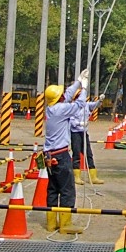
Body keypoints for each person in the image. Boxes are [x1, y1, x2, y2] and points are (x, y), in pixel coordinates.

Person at [44, 70, 88, 235]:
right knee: (68, 188)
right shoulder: (61, 110)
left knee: (53, 188)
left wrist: (78, 81)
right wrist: (83, 89)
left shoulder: (51, 108)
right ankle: (65, 224)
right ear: (59, 98)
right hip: (61, 155)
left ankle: (51, 222)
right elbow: (78, 105)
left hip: (49, 154)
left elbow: (68, 95)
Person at [71, 93, 103, 185]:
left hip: (84, 133)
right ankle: (76, 176)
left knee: (89, 153)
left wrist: (100, 100)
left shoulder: (86, 105)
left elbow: (95, 105)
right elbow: (71, 121)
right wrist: (80, 123)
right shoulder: (73, 107)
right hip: (75, 133)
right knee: (76, 154)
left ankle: (93, 177)